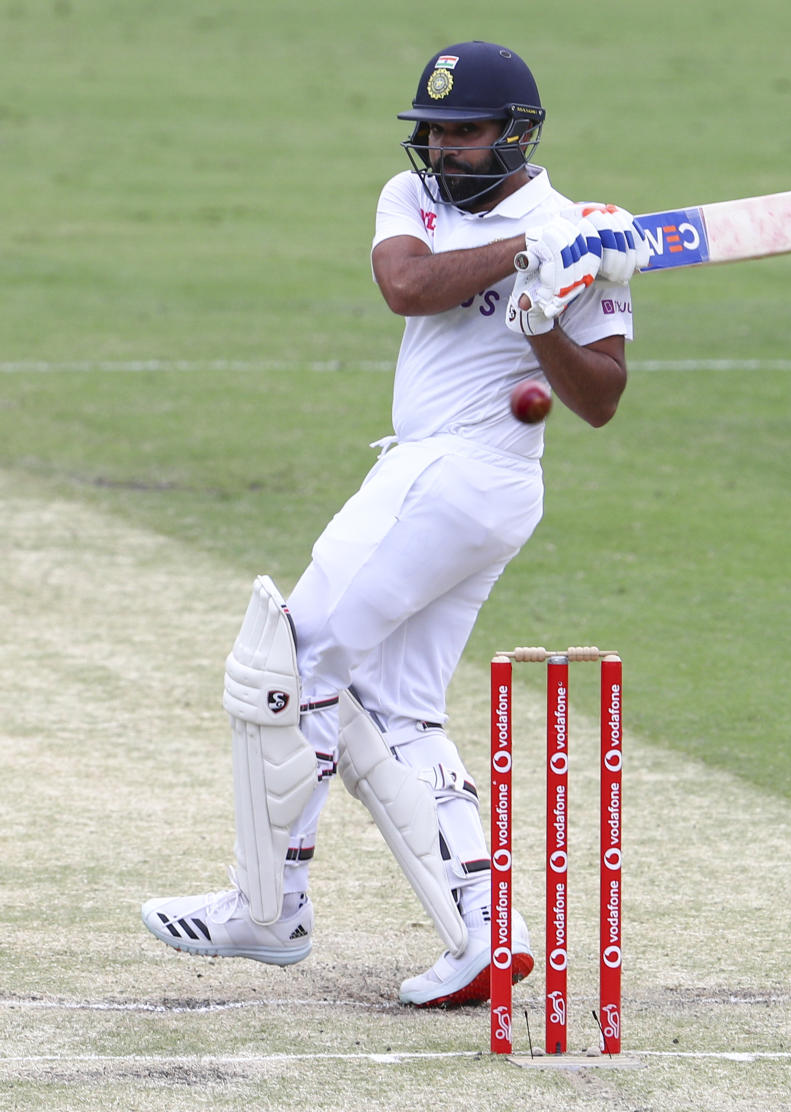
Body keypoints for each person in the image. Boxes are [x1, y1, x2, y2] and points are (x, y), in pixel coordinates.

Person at [141, 40, 646, 1008]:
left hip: (469, 471)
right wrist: (521, 255)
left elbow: (603, 399)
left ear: (518, 134)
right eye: (435, 132)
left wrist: (546, 309)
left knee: (284, 668)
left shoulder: (585, 237)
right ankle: (489, 935)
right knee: (393, 705)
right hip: (442, 476)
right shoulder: (415, 201)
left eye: (465, 132)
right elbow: (406, 285)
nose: (444, 148)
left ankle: (268, 904)